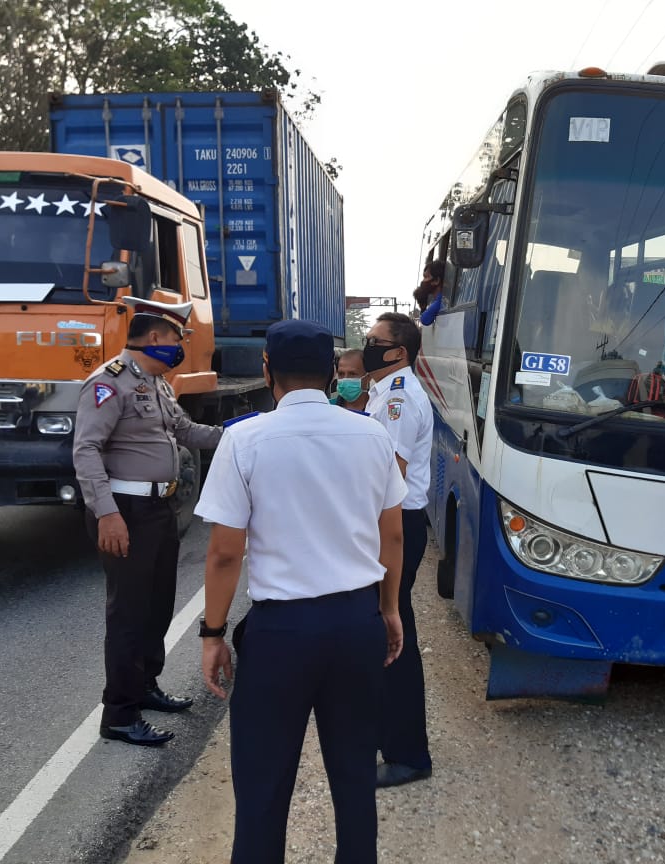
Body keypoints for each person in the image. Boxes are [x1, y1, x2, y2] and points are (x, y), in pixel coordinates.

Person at [196, 320, 406, 864]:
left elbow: (224, 553)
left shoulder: (244, 440)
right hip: (355, 625)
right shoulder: (373, 435)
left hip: (280, 635)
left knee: (263, 788)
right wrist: (387, 610)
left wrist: (213, 633)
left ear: (267, 371)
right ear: (335, 374)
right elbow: (392, 536)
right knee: (355, 778)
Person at [73, 295, 223, 747]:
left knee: (157, 606)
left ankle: (145, 686)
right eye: (178, 337)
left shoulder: (157, 383)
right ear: (156, 337)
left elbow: (187, 432)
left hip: (160, 510)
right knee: (128, 615)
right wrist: (107, 515)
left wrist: (249, 433)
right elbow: (86, 451)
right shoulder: (108, 383)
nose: (181, 346)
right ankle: (119, 713)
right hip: (126, 513)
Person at [362, 311, 435, 787]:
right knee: (383, 633)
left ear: (399, 352)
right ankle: (387, 736)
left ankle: (408, 755)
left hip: (396, 524)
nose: (367, 345)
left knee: (394, 637)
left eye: (375, 341)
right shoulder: (383, 392)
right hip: (392, 522)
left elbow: (390, 475)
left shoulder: (399, 399)